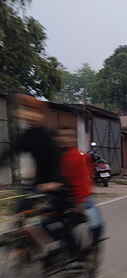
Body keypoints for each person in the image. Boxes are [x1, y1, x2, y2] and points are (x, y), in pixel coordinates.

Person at [0, 94, 78, 256]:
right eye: (24, 110)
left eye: (31, 110)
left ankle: (74, 256)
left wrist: (53, 183)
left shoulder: (49, 136)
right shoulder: (26, 136)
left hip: (57, 184)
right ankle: (25, 251)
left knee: (56, 222)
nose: (27, 114)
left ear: (40, 114)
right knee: (20, 212)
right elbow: (9, 154)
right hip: (37, 185)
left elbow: (57, 162)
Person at [56, 129, 105, 243]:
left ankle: (92, 248)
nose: (65, 139)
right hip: (63, 198)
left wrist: (80, 201)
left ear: (74, 139)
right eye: (62, 136)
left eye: (68, 136)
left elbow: (84, 180)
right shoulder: (56, 156)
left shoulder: (78, 156)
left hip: (81, 197)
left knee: (97, 224)